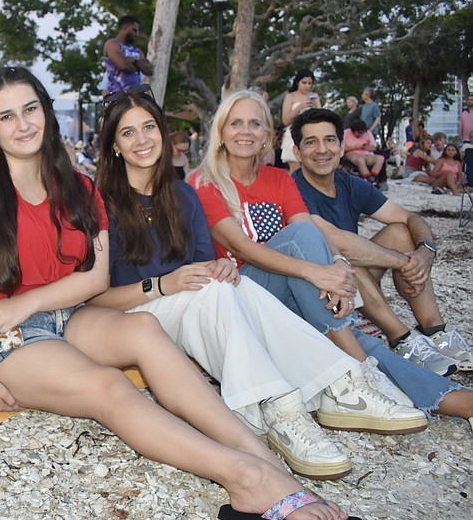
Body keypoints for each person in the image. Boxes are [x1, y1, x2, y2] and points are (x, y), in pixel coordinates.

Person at [0, 66, 363, 520]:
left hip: (65, 313)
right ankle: (245, 479)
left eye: (30, 109)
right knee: (109, 386)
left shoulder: (77, 187)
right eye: (6, 116)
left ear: (46, 113)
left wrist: (28, 301)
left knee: (145, 330)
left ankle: (264, 458)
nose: (23, 124)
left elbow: (93, 278)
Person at [90, 89, 426, 481]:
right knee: (217, 290)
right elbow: (93, 300)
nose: (142, 139)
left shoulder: (181, 194)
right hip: (136, 316)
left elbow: (205, 265)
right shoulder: (99, 202)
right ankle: (277, 408)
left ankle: (337, 385)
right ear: (114, 145)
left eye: (149, 127)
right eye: (128, 132)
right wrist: (160, 285)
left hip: (191, 309)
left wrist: (222, 266)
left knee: (237, 285)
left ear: (162, 133)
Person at [191, 89, 473, 420]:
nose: (246, 131)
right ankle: (360, 373)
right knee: (308, 250)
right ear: (221, 132)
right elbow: (244, 248)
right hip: (243, 294)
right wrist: (317, 272)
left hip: (292, 292)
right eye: (236, 123)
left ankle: (456, 401)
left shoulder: (279, 178)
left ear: (267, 134)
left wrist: (337, 266)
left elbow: (310, 228)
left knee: (363, 342)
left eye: (255, 123)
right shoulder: (204, 182)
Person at [291, 108, 473, 374]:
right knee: (344, 256)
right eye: (311, 142)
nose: (322, 149)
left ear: (342, 147)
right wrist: (405, 261)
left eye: (329, 140)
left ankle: (435, 330)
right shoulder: (292, 189)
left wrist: (425, 251)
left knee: (400, 231)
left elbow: (410, 217)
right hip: (318, 291)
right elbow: (336, 240)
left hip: (356, 284)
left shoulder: (349, 183)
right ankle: (401, 339)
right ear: (297, 152)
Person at [280, 70, 321, 172]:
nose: (307, 86)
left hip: (312, 133)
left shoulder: (314, 96)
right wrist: (300, 107)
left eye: (309, 83)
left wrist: (316, 108)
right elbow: (285, 120)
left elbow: (321, 118)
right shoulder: (290, 96)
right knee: (295, 169)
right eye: (304, 83)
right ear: (298, 82)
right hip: (294, 132)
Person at [103, 15, 154, 94]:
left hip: (136, 96)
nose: (137, 34)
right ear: (125, 27)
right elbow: (123, 66)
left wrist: (134, 61)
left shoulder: (138, 51)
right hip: (117, 96)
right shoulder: (112, 44)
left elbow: (149, 71)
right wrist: (139, 67)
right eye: (134, 30)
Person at [342, 119, 384, 185]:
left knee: (380, 158)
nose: (361, 135)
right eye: (359, 133)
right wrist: (355, 147)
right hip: (351, 154)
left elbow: (374, 147)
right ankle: (368, 178)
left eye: (362, 133)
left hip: (365, 154)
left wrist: (367, 147)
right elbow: (342, 149)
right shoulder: (345, 133)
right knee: (360, 160)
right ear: (354, 131)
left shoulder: (367, 133)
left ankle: (373, 177)